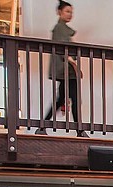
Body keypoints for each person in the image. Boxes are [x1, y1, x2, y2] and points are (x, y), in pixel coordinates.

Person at [35, 1, 87, 137]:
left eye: (71, 12)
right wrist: (74, 65)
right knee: (74, 99)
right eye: (67, 11)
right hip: (66, 70)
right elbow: (63, 50)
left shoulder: (62, 28)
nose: (70, 14)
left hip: (66, 70)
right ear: (60, 12)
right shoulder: (59, 28)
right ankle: (79, 130)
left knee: (62, 100)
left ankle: (43, 126)